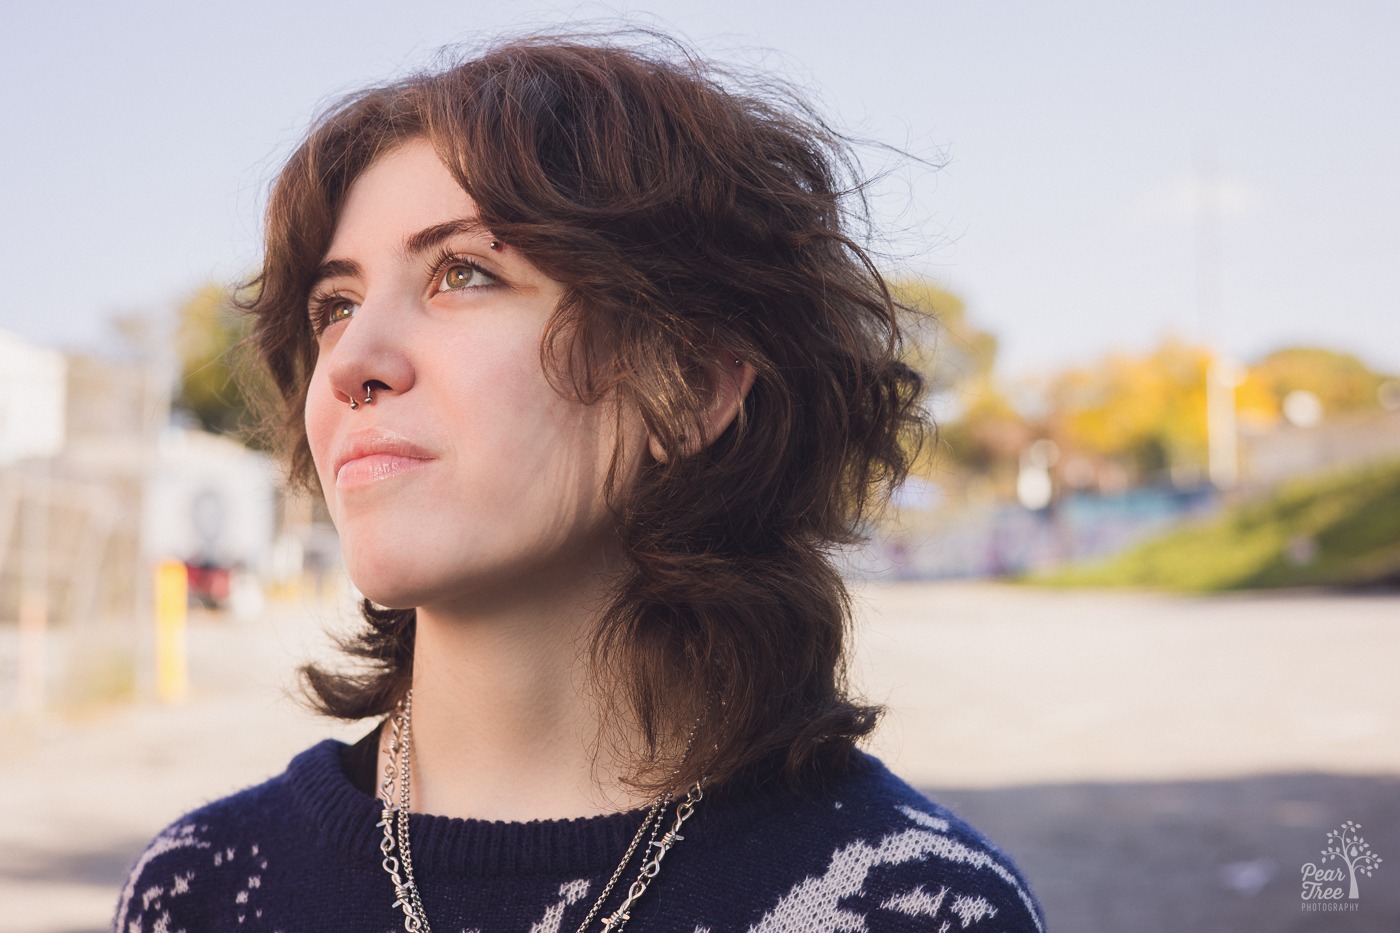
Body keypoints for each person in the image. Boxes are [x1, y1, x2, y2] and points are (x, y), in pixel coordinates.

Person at [115, 30, 1045, 932]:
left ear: (692, 383)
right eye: (336, 304)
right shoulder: (200, 892)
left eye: (464, 274)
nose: (353, 358)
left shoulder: (920, 907)